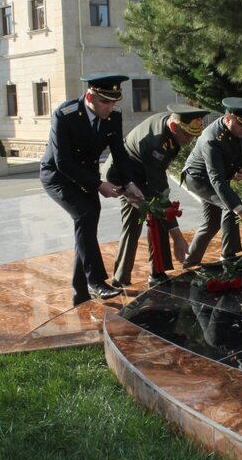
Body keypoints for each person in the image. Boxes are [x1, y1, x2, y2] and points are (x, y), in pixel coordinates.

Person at [40, 73, 145, 306]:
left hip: (86, 176)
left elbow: (120, 154)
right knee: (85, 215)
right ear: (90, 96)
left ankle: (81, 292)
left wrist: (129, 183)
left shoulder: (113, 117)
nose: (110, 107)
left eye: (114, 102)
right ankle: (96, 281)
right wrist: (99, 185)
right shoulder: (65, 115)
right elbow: (63, 162)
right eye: (105, 102)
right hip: (58, 177)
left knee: (86, 228)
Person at [105, 103, 208, 289]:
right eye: (186, 134)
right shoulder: (156, 144)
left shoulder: (173, 125)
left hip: (144, 173)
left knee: (158, 218)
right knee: (136, 224)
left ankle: (157, 273)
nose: (189, 139)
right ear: (175, 126)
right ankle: (120, 280)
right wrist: (177, 236)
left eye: (194, 135)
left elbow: (157, 182)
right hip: (124, 176)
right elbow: (159, 188)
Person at [181, 97, 242, 267]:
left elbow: (241, 151)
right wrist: (240, 208)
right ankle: (228, 256)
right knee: (230, 207)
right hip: (198, 178)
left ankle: (191, 261)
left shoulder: (237, 128)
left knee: (212, 223)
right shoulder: (213, 139)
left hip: (217, 178)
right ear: (228, 118)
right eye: (241, 125)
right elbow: (215, 178)